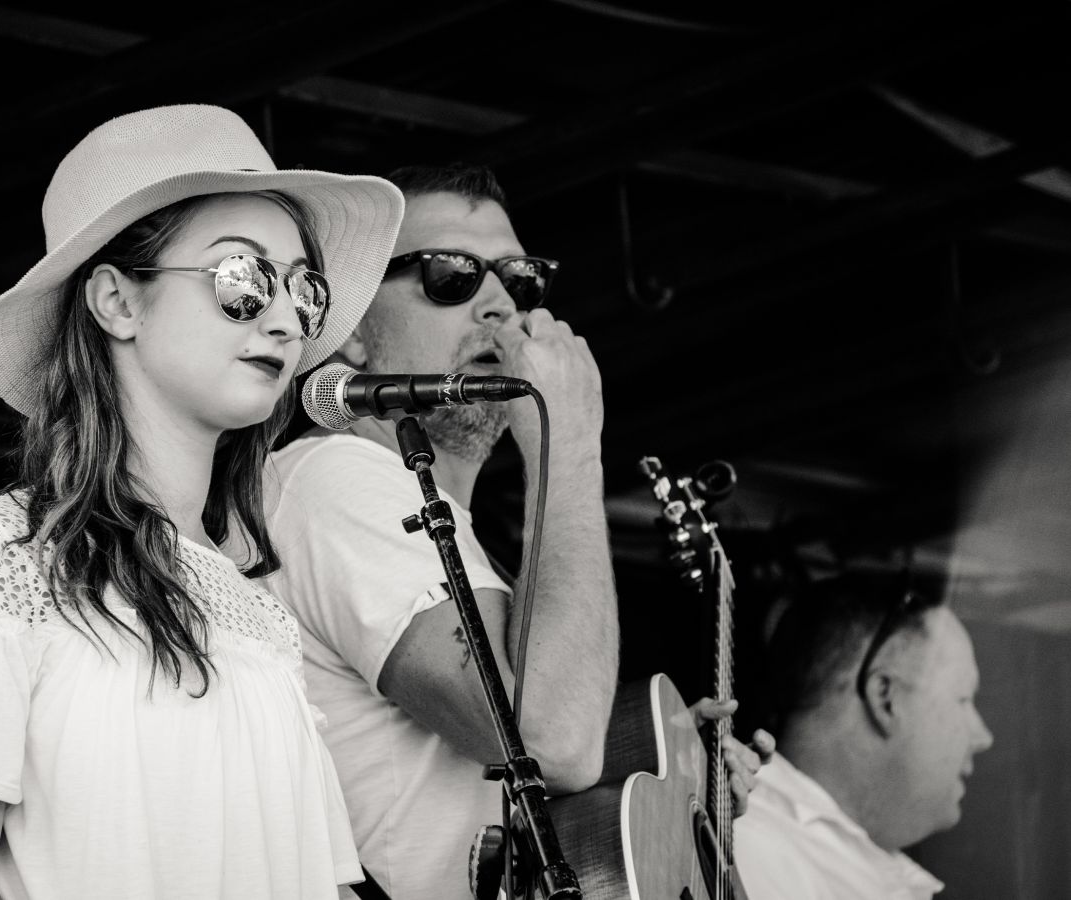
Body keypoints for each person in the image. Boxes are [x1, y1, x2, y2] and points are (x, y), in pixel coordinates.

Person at [0, 104, 405, 899]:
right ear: (116, 301)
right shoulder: (1, 556)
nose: (286, 319)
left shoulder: (261, 619)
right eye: (242, 279)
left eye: (303, 289)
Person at [247, 163, 770, 900]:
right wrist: (569, 443)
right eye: (451, 275)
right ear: (353, 329)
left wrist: (670, 772)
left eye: (520, 281)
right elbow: (551, 741)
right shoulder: (337, 478)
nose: (499, 304)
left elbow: (546, 770)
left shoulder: (438, 520)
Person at [734, 572, 995, 900]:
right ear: (886, 697)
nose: (983, 737)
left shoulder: (821, 859)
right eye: (963, 699)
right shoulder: (747, 853)